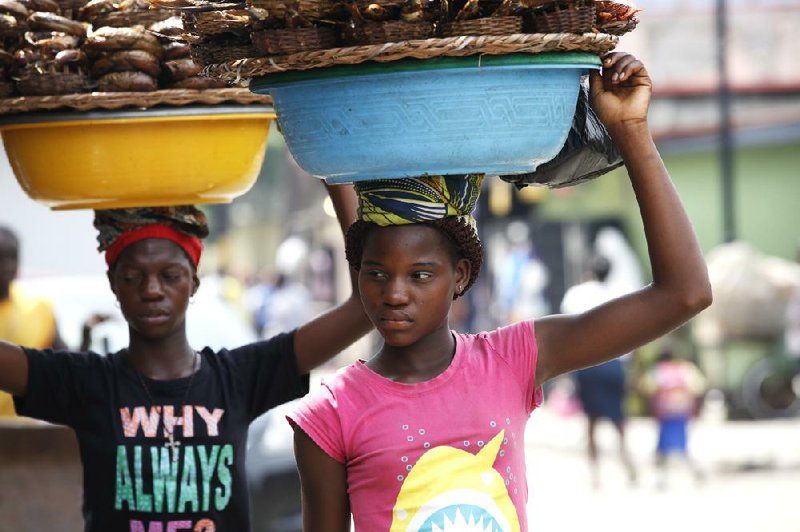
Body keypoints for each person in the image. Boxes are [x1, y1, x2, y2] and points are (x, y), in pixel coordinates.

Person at [288, 52, 713, 531]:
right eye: (377, 273)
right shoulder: (329, 414)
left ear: (462, 276)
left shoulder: (512, 361)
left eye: (421, 274)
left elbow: (685, 294)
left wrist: (631, 129)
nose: (395, 294)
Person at [0, 184, 372, 531]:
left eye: (170, 275)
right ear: (114, 284)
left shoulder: (238, 376)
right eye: (133, 277)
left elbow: (363, 305)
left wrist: (333, 178)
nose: (151, 290)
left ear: (193, 282)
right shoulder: (88, 381)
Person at [560, 254, 637, 488]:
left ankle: (595, 475)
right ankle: (629, 467)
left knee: (591, 422)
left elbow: (565, 330)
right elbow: (633, 333)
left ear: (589, 271)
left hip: (586, 364)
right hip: (616, 363)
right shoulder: (621, 293)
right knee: (619, 421)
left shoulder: (576, 294)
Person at [0, 225, 65, 418]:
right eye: (0, 258)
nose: (7, 266)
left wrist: (86, 333)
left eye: (13, 258)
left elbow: (64, 367)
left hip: (25, 432)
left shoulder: (38, 309)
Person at [640, 346, 706, 489]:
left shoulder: (658, 370)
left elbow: (646, 387)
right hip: (682, 412)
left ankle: (662, 479)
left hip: (665, 414)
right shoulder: (685, 369)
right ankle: (696, 472)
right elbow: (700, 386)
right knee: (682, 445)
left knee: (663, 448)